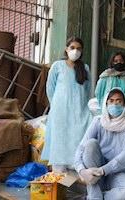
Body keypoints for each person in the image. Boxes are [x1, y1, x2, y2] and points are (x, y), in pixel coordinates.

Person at [41, 37, 92, 172]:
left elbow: (87, 91)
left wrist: (81, 106)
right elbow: (50, 88)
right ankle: (58, 176)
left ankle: (77, 171)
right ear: (66, 49)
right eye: (72, 48)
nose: (75, 51)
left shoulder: (85, 68)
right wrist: (56, 106)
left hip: (79, 112)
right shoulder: (58, 66)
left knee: (77, 139)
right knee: (59, 142)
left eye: (79, 48)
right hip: (60, 112)